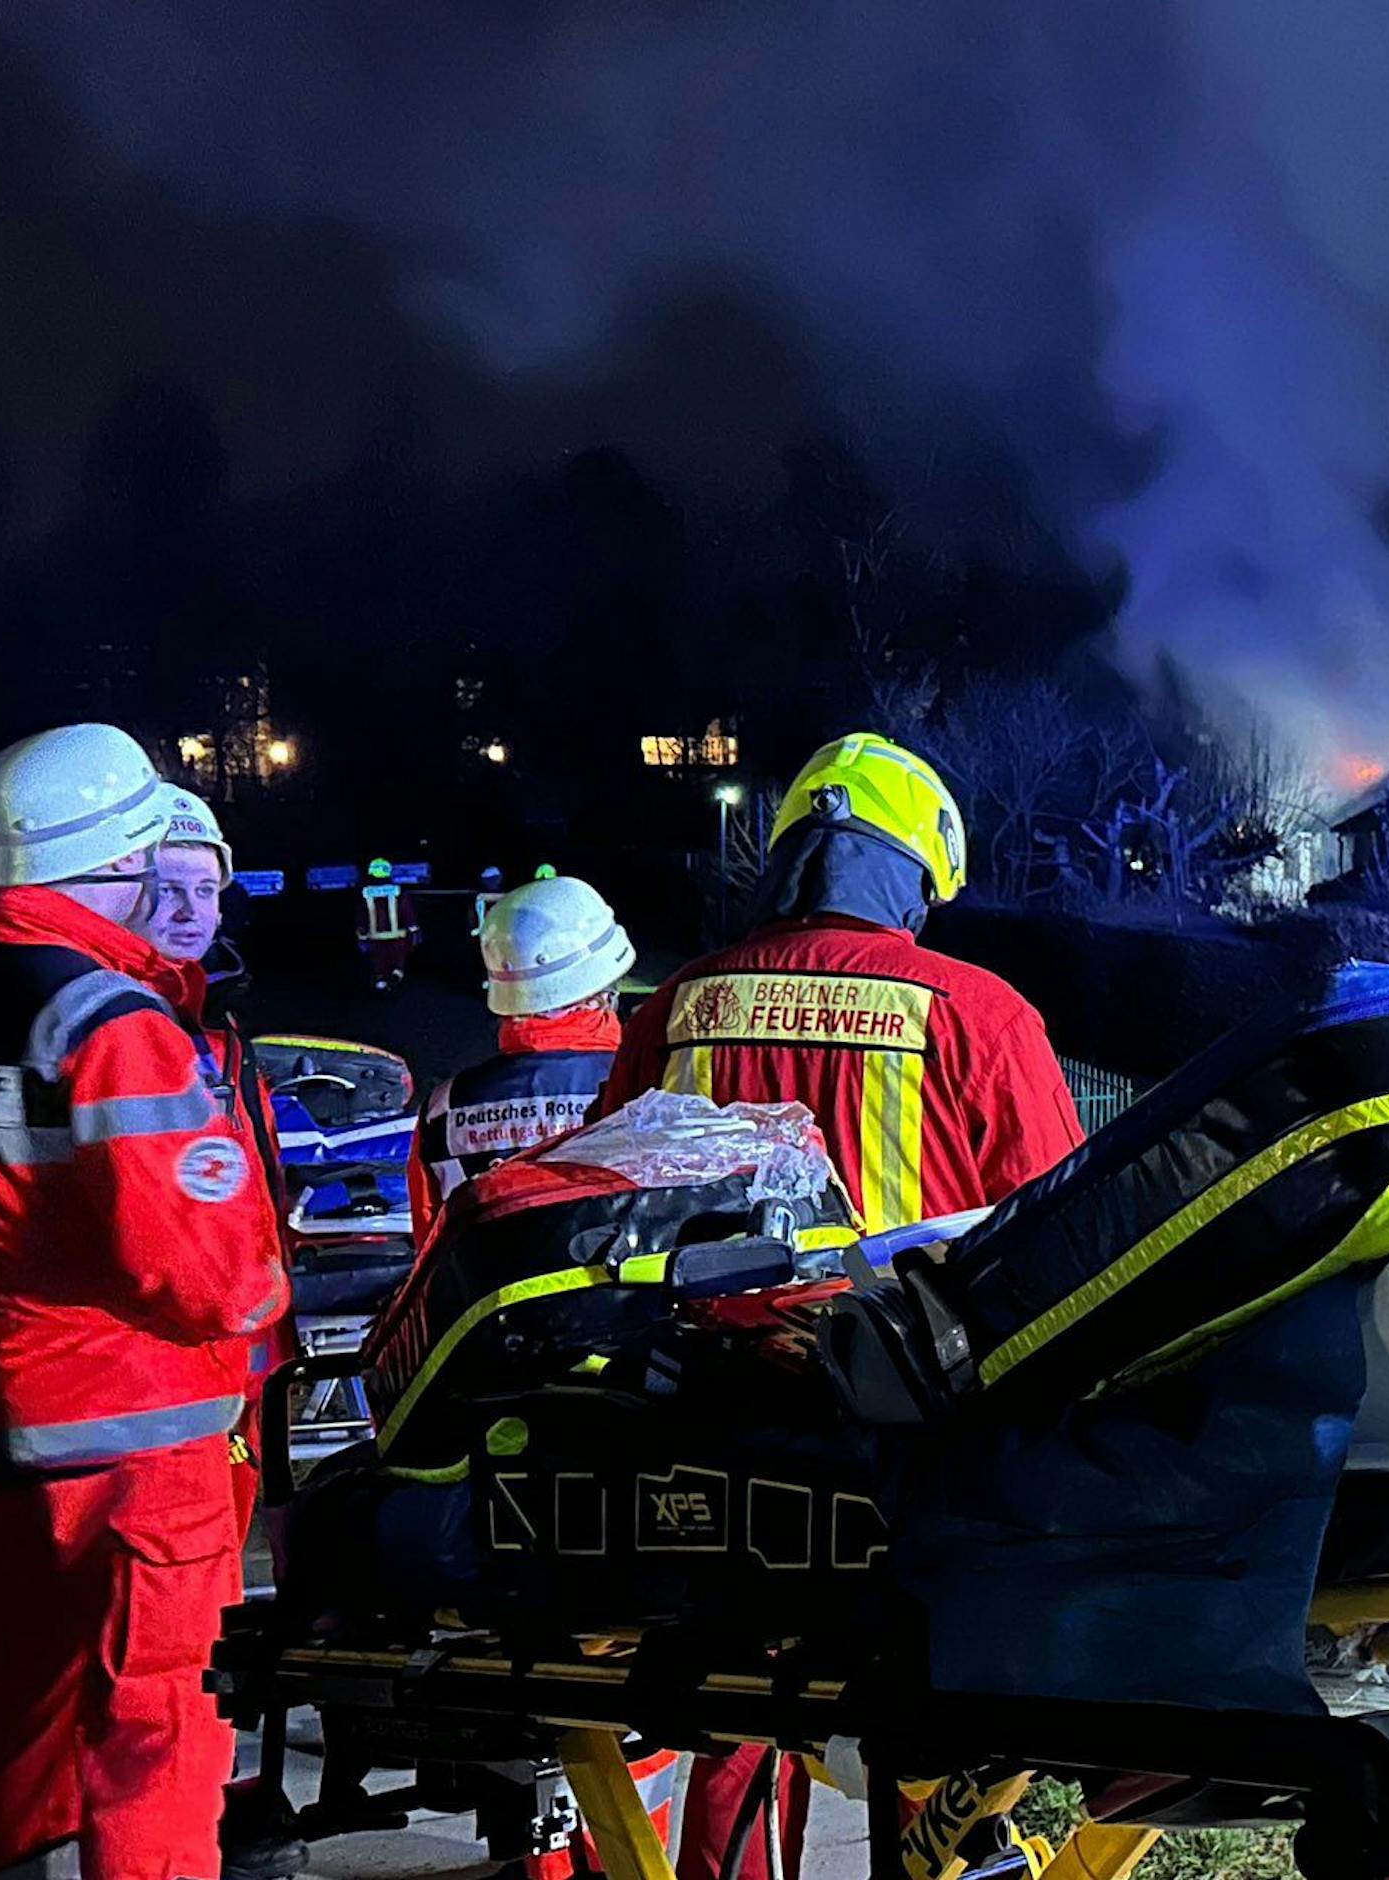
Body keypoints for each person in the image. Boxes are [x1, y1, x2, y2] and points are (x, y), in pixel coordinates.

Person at [596, 731, 1085, 1880]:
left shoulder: (678, 1002)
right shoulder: (976, 1012)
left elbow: (604, 1199)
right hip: (910, 1449)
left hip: (706, 1428)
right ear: (913, 874)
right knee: (925, 1714)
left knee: (732, 1713)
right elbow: (1064, 1236)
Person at [0, 724, 290, 1880]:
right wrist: (262, 1305)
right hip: (140, 1444)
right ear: (120, 859)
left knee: (26, 1708)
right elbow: (196, 1268)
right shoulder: (111, 1025)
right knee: (158, 1724)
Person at [142, 786, 294, 1550]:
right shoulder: (121, 1028)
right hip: (170, 1356)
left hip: (238, 1338)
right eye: (166, 889)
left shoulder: (218, 1035)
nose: (189, 910)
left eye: (205, 890)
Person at [408, 874, 634, 1243]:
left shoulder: (443, 1108)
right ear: (603, 993)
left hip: (486, 1299)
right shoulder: (644, 1085)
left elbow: (429, 1244)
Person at [357, 856, 419, 994]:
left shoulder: (365, 893)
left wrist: (361, 936)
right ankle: (395, 977)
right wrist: (414, 932)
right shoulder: (399, 891)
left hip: (374, 939)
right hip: (398, 938)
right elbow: (407, 913)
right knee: (397, 964)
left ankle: (381, 981)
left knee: (378, 966)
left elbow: (361, 917)